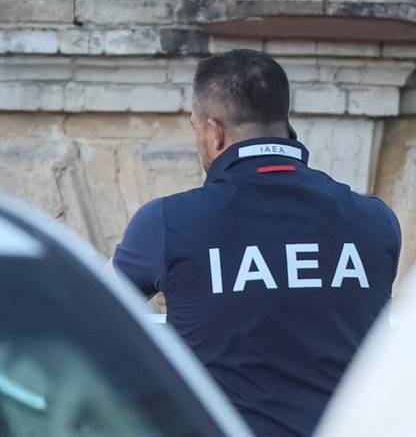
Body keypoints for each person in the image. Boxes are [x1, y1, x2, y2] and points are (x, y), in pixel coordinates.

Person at [112, 49, 401, 436]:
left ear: (214, 132)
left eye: (196, 129)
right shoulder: (375, 221)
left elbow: (90, 311)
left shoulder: (166, 222)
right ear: (284, 120)